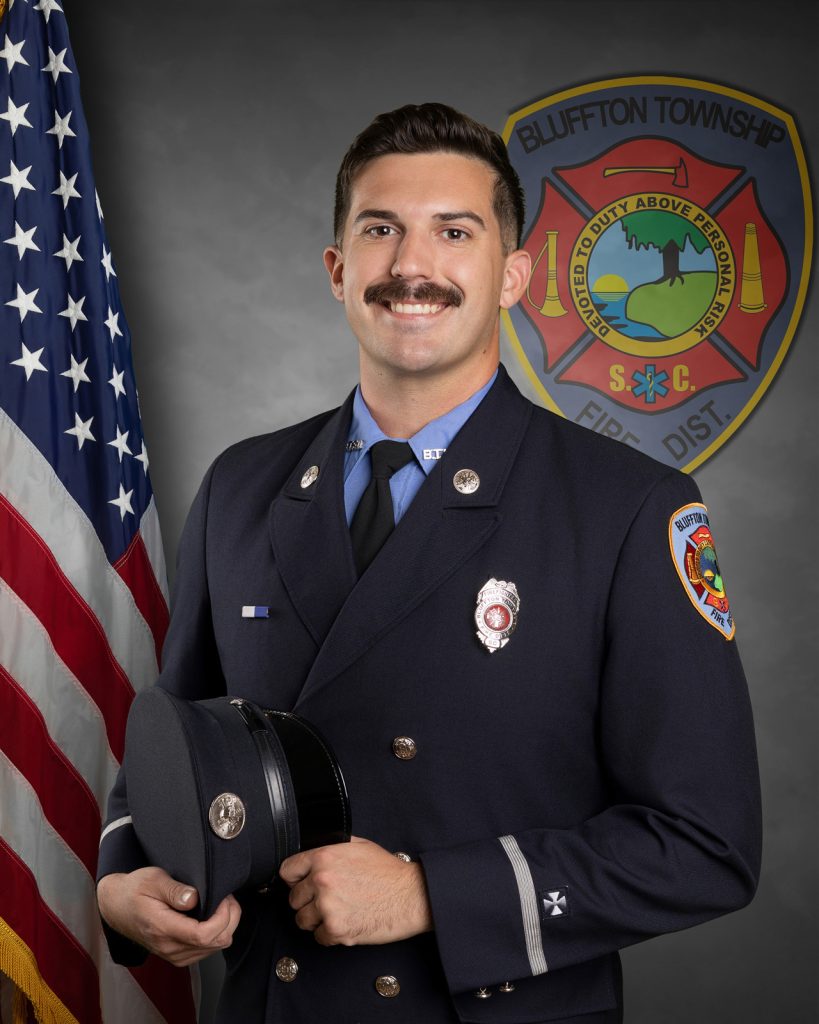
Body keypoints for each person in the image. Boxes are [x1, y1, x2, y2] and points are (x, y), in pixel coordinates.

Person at [97, 103, 761, 1023]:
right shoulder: (243, 486)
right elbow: (177, 748)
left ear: (513, 275)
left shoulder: (627, 508)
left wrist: (427, 895)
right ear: (338, 270)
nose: (412, 267)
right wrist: (123, 880)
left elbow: (704, 845)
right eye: (380, 231)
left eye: (455, 232)